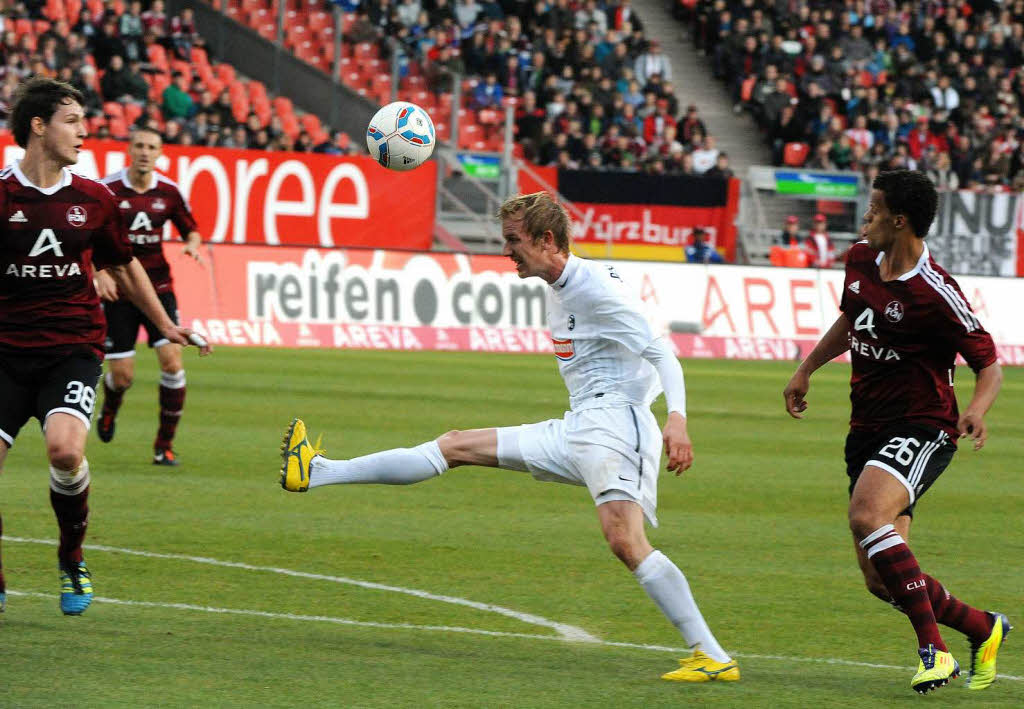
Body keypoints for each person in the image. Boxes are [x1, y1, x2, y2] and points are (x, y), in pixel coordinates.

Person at [279, 192, 739, 683]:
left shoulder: (594, 289)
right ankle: (318, 471)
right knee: (456, 444)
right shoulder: (563, 284)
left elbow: (663, 353)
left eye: (513, 240)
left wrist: (678, 419)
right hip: (580, 425)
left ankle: (711, 656)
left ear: (546, 240)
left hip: (616, 426)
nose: (507, 251)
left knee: (625, 539)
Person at [783, 170, 1008, 694]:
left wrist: (976, 408)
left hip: (924, 425)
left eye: (873, 209)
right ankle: (982, 626)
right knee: (879, 579)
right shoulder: (861, 259)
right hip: (866, 428)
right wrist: (807, 368)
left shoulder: (937, 292)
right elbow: (852, 318)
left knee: (866, 514)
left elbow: (989, 364)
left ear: (899, 219)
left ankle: (936, 652)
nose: (865, 219)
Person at [0, 77, 210, 616]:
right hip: (4, 351)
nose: (84, 132)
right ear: (39, 126)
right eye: (72, 120)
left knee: (66, 452)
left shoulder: (94, 198)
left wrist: (165, 325)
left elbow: (126, 265)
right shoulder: (0, 195)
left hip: (72, 346)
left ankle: (71, 557)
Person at [95, 126, 203, 465]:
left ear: (159, 153)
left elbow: (192, 229)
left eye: (151, 147)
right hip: (119, 292)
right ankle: (110, 408)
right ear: (129, 149)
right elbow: (86, 237)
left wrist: (192, 245)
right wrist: (99, 274)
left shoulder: (170, 192)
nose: (144, 151)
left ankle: (163, 446)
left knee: (172, 362)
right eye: (139, 145)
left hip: (158, 290)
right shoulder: (106, 189)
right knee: (122, 376)